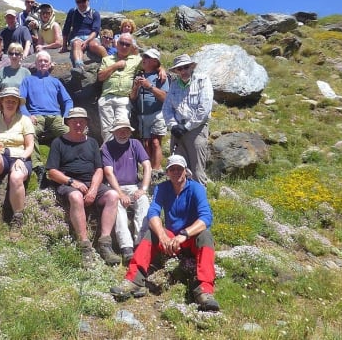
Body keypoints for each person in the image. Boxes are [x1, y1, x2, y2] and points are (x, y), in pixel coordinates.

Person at [110, 154, 220, 312]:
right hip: (170, 241)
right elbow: (153, 212)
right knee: (152, 233)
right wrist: (162, 235)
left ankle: (204, 291)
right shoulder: (162, 188)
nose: (176, 172)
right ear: (167, 172)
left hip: (189, 239)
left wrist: (184, 234)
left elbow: (206, 217)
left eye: (179, 169)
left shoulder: (196, 188)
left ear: (186, 171)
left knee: (206, 236)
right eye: (172, 169)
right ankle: (134, 280)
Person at [46, 107, 121, 267]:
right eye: (74, 122)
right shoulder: (58, 142)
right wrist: (73, 182)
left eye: (81, 121)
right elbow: (52, 172)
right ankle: (84, 245)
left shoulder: (92, 142)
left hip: (91, 182)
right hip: (68, 184)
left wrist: (94, 189)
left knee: (113, 196)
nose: (78, 125)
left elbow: (99, 169)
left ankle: (105, 243)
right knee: (76, 196)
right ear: (68, 123)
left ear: (86, 123)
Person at [0, 87, 35, 238]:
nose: (10, 103)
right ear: (1, 102)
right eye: (7, 100)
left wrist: (22, 158)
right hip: (1, 156)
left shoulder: (25, 120)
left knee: (16, 178)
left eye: (13, 101)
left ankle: (17, 217)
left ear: (18, 104)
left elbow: (30, 146)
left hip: (20, 156)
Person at [19, 50, 73, 187]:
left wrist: (65, 116)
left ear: (49, 64)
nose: (43, 63)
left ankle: (68, 164)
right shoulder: (28, 80)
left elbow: (68, 101)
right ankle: (38, 166)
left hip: (55, 116)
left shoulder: (55, 81)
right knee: (29, 133)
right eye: (40, 61)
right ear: (36, 63)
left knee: (70, 134)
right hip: (36, 116)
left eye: (45, 61)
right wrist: (27, 115)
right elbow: (21, 102)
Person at [101, 118, 151, 264]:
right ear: (114, 132)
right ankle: (126, 247)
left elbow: (147, 166)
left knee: (143, 201)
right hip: (115, 187)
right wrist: (120, 194)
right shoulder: (107, 147)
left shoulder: (135, 144)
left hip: (134, 186)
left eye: (126, 130)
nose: (123, 133)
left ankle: (141, 242)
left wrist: (143, 188)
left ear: (130, 132)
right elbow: (108, 172)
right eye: (119, 130)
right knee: (118, 206)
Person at [163, 54, 213, 185]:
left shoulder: (202, 80)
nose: (183, 71)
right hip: (177, 130)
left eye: (186, 67)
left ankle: (200, 201)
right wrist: (173, 125)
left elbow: (204, 108)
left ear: (191, 67)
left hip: (196, 129)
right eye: (180, 69)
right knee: (178, 166)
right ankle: (181, 197)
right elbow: (167, 108)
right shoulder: (174, 84)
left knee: (197, 169)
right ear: (176, 71)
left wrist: (187, 126)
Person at [129, 48, 169, 179]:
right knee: (146, 143)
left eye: (147, 57)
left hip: (157, 113)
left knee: (156, 142)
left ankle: (156, 170)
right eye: (144, 56)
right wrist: (136, 87)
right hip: (142, 114)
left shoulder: (161, 76)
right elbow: (133, 98)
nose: (143, 59)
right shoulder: (138, 75)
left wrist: (149, 86)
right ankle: (149, 170)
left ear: (154, 61)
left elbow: (165, 97)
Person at [97, 33, 141, 143]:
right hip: (107, 97)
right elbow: (101, 77)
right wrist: (115, 65)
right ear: (116, 44)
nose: (124, 46)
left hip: (124, 99)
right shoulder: (107, 59)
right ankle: (109, 157)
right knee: (107, 130)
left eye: (127, 44)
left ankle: (122, 156)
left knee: (123, 128)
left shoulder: (137, 60)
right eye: (122, 43)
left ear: (131, 47)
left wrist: (161, 69)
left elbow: (151, 64)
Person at [60, 0, 107, 68]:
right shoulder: (73, 12)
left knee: (94, 45)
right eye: (78, 1)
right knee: (76, 44)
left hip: (91, 37)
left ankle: (107, 60)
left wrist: (87, 41)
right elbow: (66, 29)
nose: (81, 3)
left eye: (83, 1)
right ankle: (79, 66)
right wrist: (64, 46)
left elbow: (95, 31)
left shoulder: (94, 13)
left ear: (88, 1)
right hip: (77, 37)